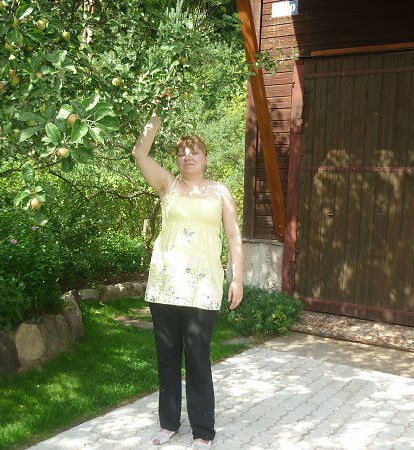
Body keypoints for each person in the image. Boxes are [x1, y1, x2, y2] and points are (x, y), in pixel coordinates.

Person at [132, 114, 243, 449]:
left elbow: (233, 235)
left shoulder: (220, 191)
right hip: (165, 284)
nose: (187, 157)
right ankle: (168, 424)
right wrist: (157, 115)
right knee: (167, 357)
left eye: (194, 152)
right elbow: (139, 153)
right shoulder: (168, 185)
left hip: (203, 286)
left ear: (206, 158)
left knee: (197, 358)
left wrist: (237, 277)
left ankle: (203, 431)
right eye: (181, 153)